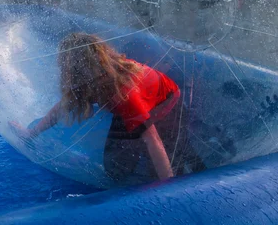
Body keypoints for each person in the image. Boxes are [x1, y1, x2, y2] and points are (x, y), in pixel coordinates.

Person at [10, 32, 181, 183]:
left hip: (164, 101)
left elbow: (153, 139)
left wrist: (168, 186)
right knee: (114, 166)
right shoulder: (94, 76)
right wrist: (31, 134)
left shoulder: (124, 94)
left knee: (136, 157)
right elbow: (64, 106)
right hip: (137, 95)